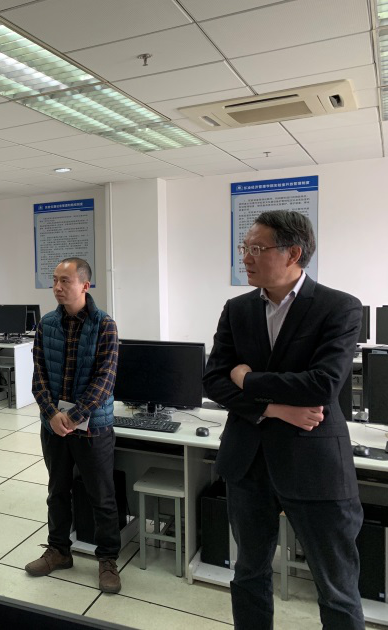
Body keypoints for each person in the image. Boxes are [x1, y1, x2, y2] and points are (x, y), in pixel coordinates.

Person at [203, 211, 364, 629]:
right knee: (249, 574)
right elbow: (213, 380)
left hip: (314, 465)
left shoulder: (338, 307)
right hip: (248, 463)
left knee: (337, 587)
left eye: (256, 248)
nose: (245, 257)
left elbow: (323, 384)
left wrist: (248, 379)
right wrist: (273, 408)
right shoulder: (238, 309)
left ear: (293, 253)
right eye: (245, 248)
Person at [26, 257, 122, 594]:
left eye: (65, 281)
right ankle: (58, 550)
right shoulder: (47, 324)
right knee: (57, 491)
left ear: (85, 285)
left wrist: (75, 416)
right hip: (53, 426)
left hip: (92, 427)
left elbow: (105, 380)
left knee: (102, 496)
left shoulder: (104, 325)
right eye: (55, 280)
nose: (57, 287)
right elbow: (38, 376)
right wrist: (53, 414)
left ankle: (107, 559)